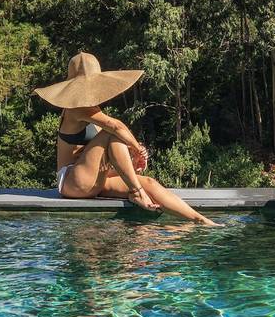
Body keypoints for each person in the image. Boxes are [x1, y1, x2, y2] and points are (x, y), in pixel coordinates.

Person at [34, 52, 215, 225]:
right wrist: (137, 148)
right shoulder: (75, 110)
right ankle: (136, 192)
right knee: (111, 134)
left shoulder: (93, 110)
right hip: (72, 182)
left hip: (90, 178)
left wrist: (130, 162)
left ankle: (199, 220)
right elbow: (116, 127)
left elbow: (98, 154)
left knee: (149, 183)